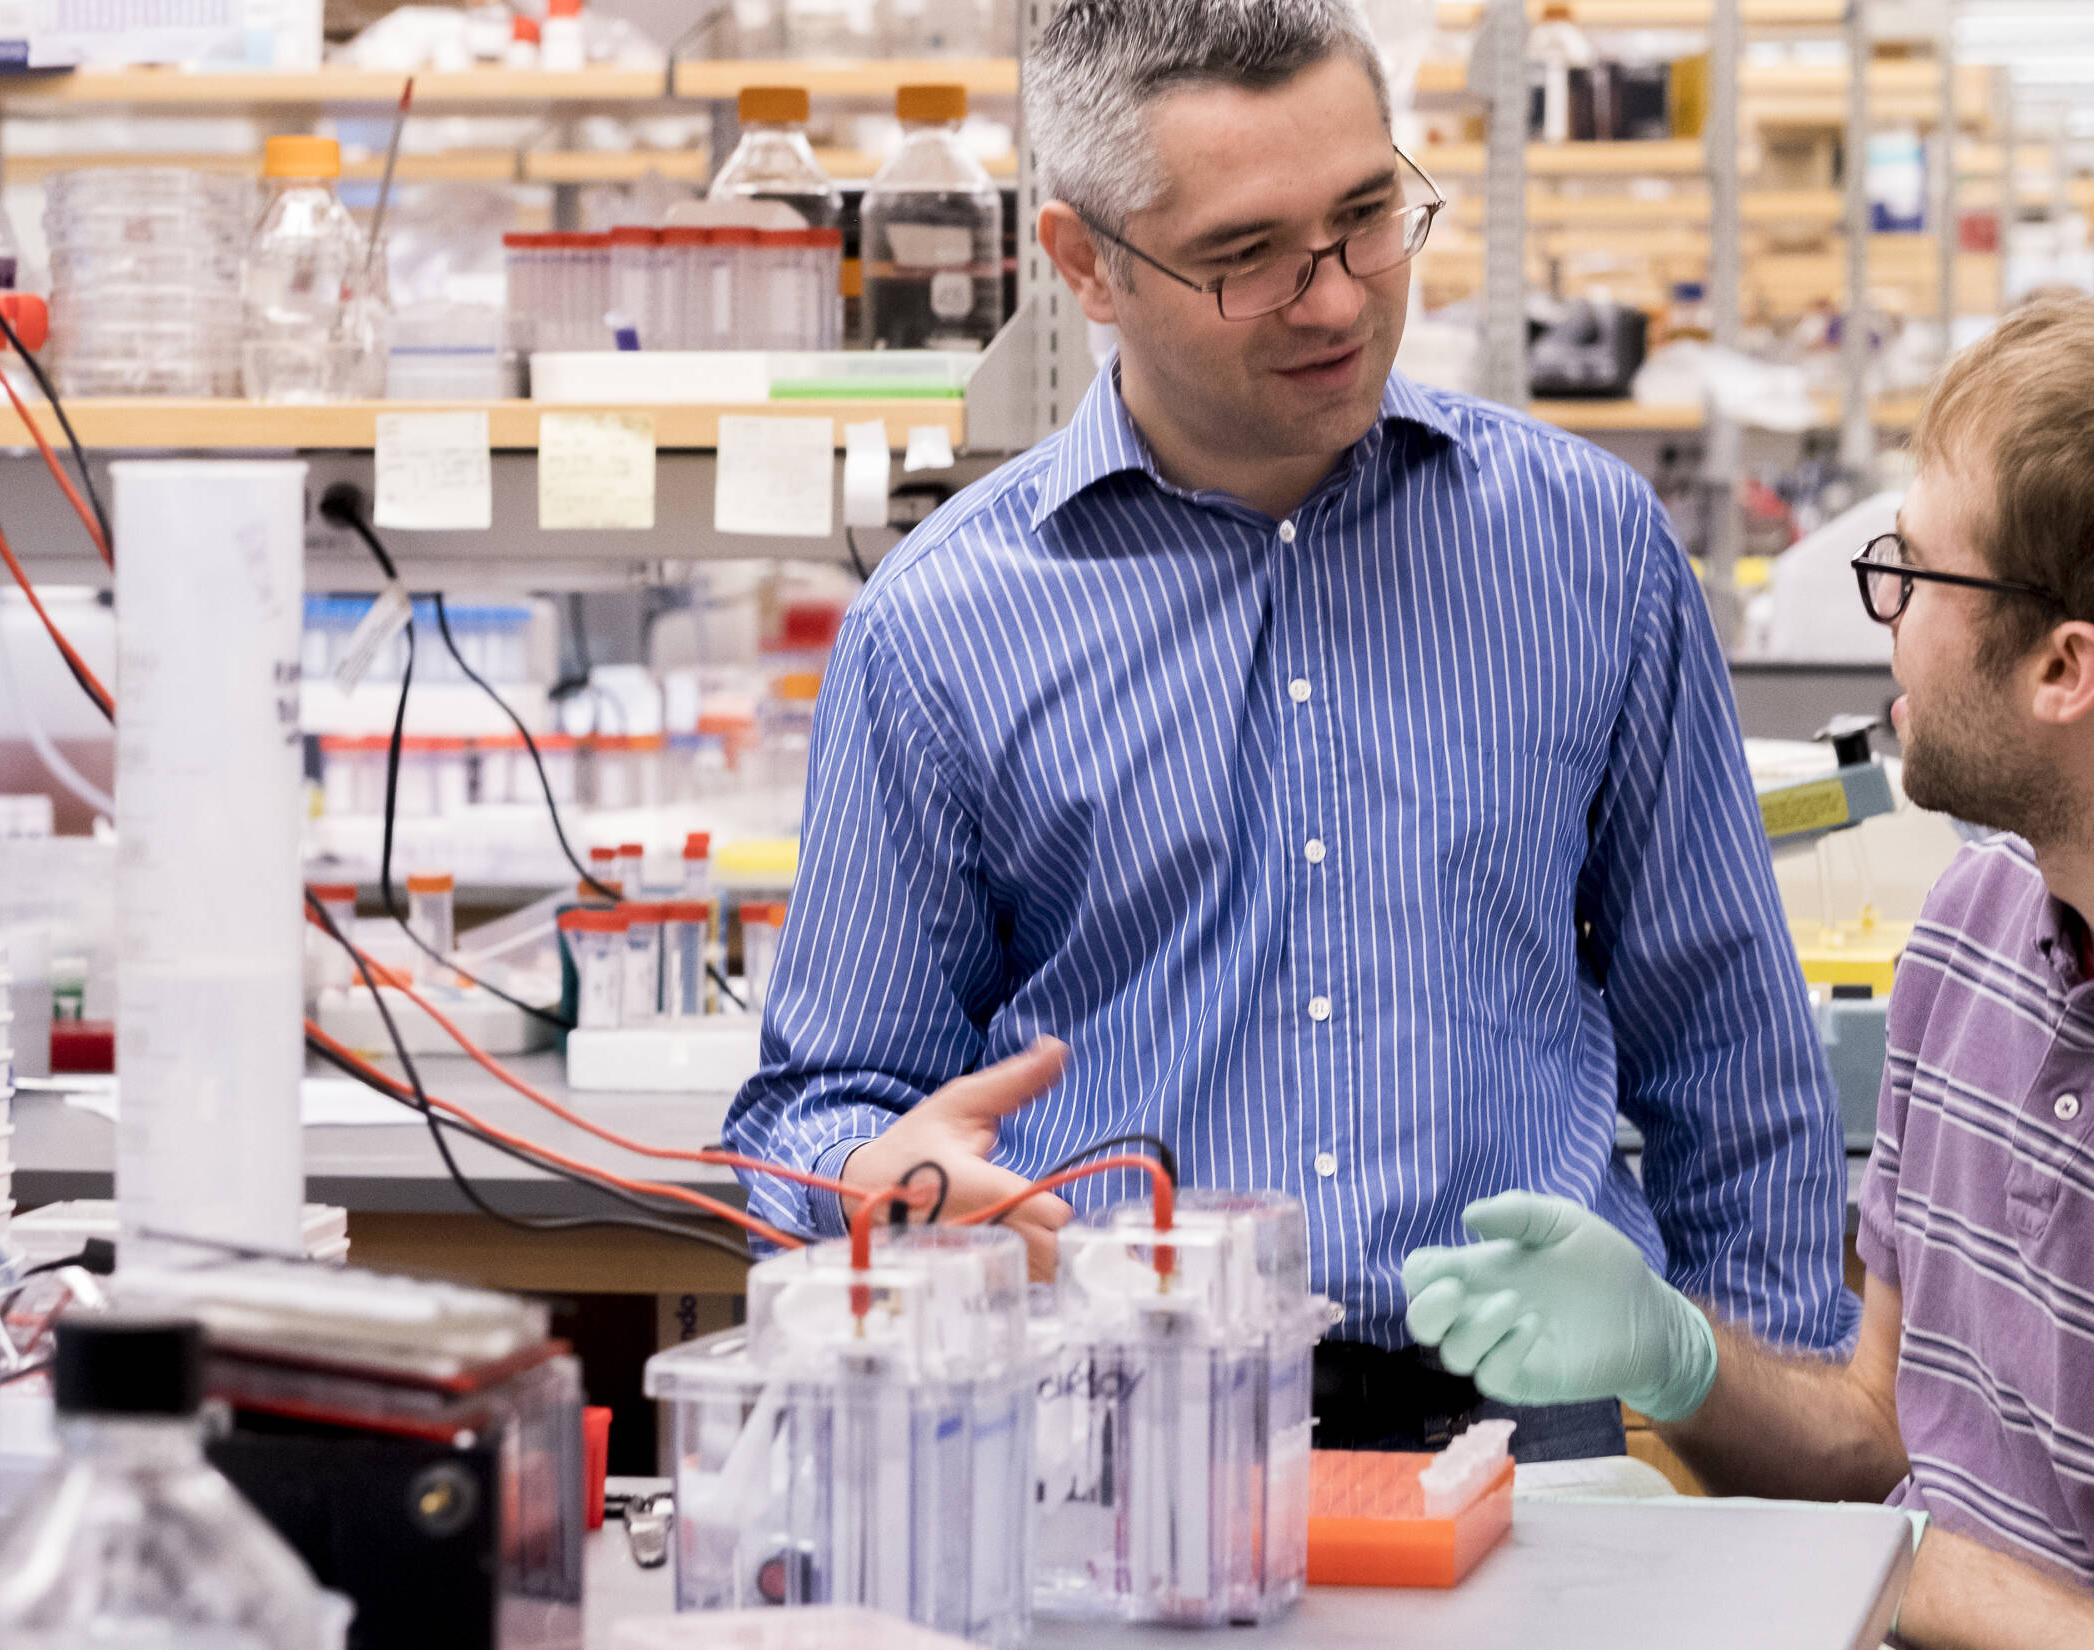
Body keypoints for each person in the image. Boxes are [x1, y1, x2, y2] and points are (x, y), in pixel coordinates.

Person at [721, 0, 1854, 1464]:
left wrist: (1773, 1450)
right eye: (1246, 256)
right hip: (1112, 1449)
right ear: (1085, 267)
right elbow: (812, 1113)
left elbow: (1727, 1046)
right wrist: (879, 1177)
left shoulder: (1588, 550)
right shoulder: (942, 627)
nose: (1335, 300)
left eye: (1369, 216)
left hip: (1534, 1443)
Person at [1399, 274, 2094, 1646]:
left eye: (1913, 571)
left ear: (2064, 669)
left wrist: (1899, 1568)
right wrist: (1681, 1360)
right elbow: (1880, 1438)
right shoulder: (1982, 923)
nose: (1887, 614)